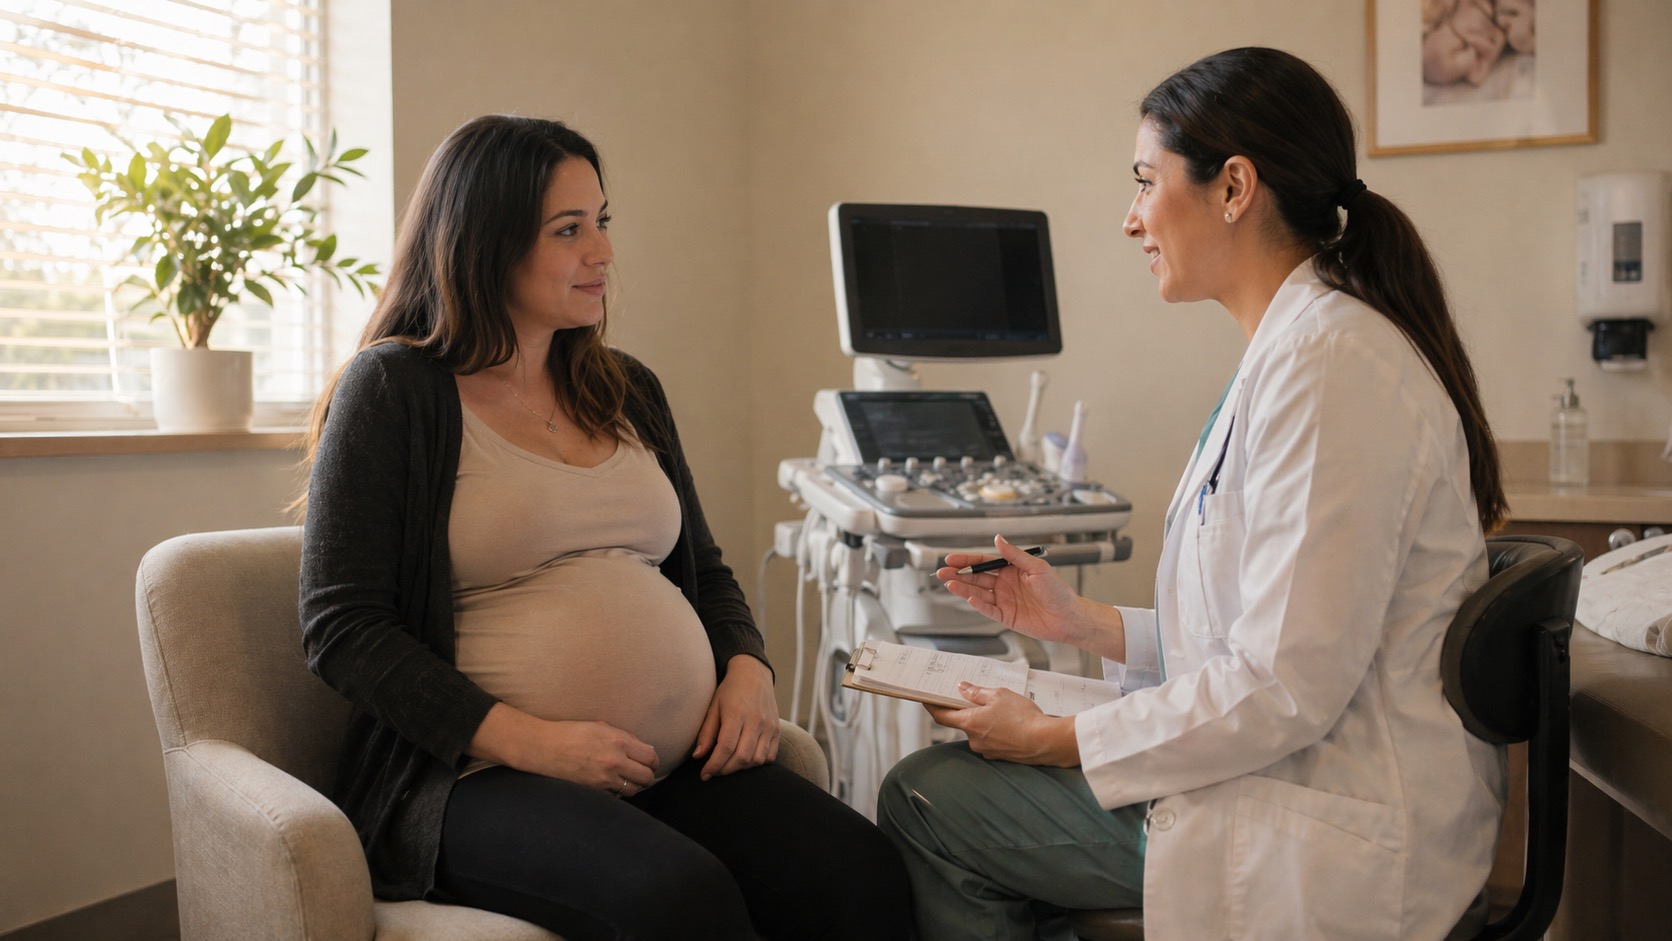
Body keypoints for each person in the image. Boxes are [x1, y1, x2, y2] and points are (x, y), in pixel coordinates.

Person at [878, 47, 1508, 941]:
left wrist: (1053, 737)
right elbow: (1261, 629)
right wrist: (1081, 623)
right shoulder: (1299, 351)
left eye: (1145, 180)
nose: (1131, 218)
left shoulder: (1329, 366)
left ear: (1234, 186)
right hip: (1287, 772)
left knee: (925, 800)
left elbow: (1285, 682)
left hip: (1324, 824)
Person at [297, 114, 910, 941]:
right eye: (569, 229)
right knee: (680, 900)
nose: (604, 251)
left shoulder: (626, 389)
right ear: (485, 242)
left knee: (860, 871)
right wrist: (532, 742)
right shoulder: (396, 390)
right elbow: (343, 627)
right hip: (476, 774)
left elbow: (707, 568)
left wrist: (747, 665)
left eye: (603, 221)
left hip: (671, 762)